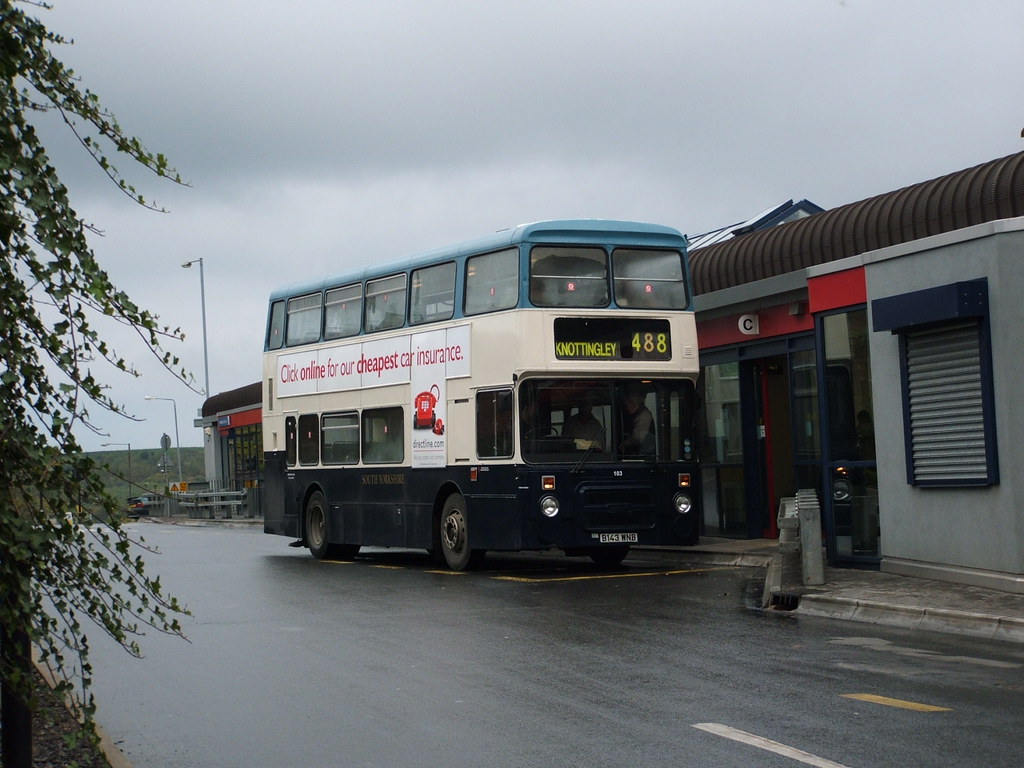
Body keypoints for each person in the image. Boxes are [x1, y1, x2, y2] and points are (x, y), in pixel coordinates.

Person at [620, 391, 655, 456]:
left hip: (645, 454)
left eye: (627, 405)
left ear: (632, 404)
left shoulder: (644, 416)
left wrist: (624, 444)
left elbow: (638, 437)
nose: (626, 409)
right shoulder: (636, 415)